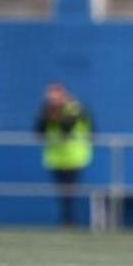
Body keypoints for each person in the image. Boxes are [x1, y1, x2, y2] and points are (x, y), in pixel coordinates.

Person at [33, 82, 94, 227]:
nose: (53, 100)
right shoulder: (45, 109)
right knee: (61, 193)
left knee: (70, 191)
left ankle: (69, 221)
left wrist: (57, 115)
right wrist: (46, 114)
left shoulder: (74, 108)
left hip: (75, 158)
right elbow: (38, 131)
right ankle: (67, 220)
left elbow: (67, 128)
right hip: (56, 158)